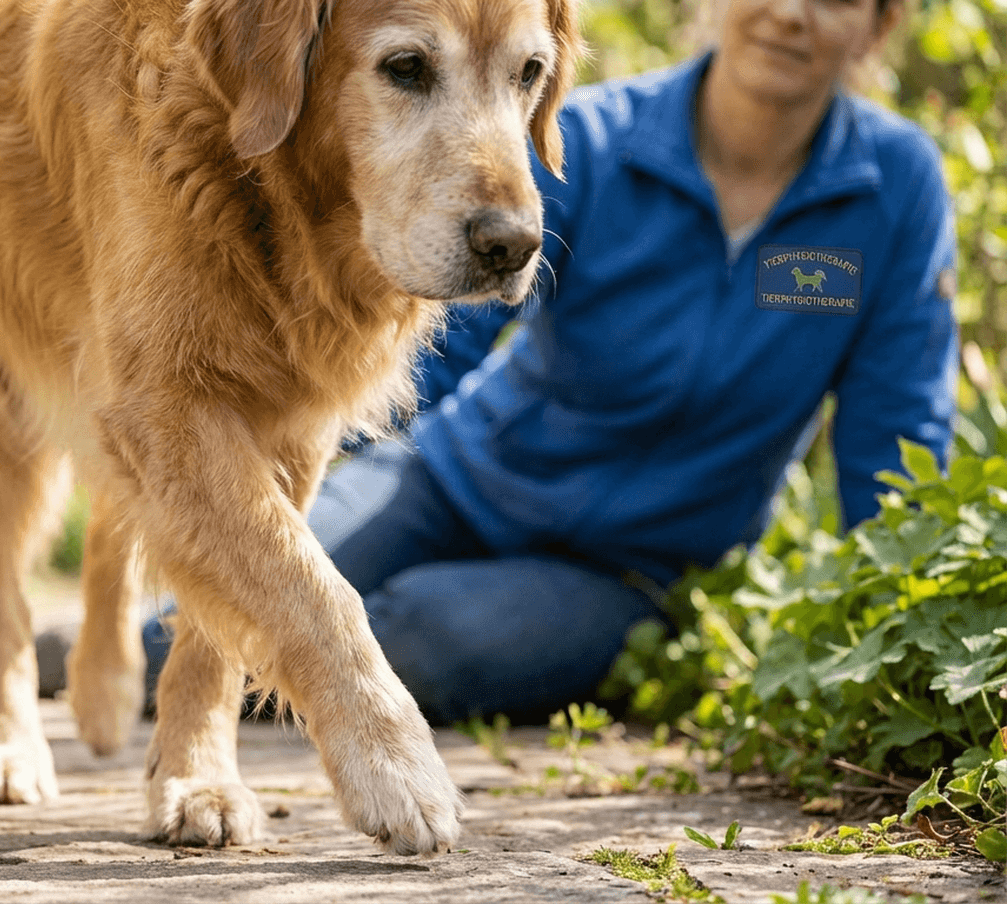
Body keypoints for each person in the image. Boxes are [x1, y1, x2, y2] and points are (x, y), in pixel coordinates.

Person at [48, 0, 960, 725]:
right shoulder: (601, 139)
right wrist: (316, 471)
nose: (790, 12)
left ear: (878, 26)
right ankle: (93, 654)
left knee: (424, 637)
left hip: (626, 571)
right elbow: (430, 337)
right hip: (452, 479)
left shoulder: (890, 190)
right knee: (291, 572)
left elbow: (897, 434)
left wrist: (884, 641)